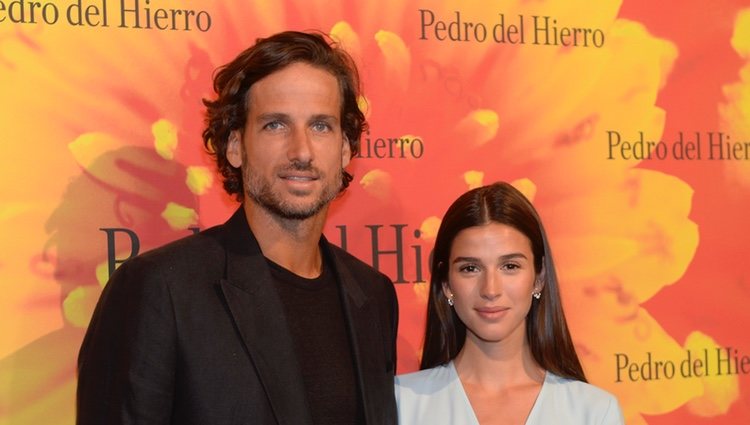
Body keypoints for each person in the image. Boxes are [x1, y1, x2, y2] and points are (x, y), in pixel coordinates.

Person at [77, 30, 399, 425]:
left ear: (346, 149)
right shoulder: (159, 289)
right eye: (276, 125)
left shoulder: (372, 296)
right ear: (234, 146)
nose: (301, 151)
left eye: (321, 126)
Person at [395, 182, 623, 424]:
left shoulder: (593, 411)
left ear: (539, 277)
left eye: (510, 266)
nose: (490, 289)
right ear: (446, 284)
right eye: (470, 268)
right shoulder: (402, 403)